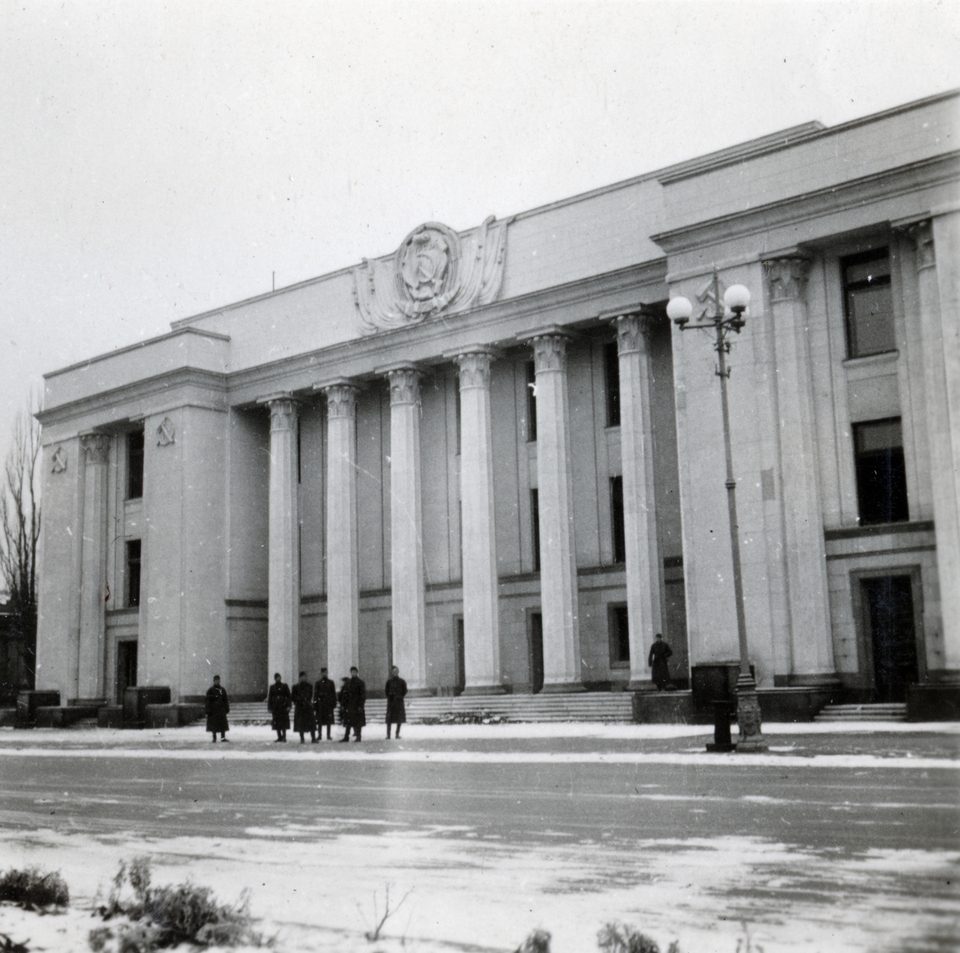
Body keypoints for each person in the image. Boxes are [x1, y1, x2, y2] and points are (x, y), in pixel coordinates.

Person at [339, 666, 366, 742]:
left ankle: (358, 736)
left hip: (357, 705)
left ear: (357, 672)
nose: (353, 673)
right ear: (350, 673)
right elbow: (345, 695)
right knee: (348, 722)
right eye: (352, 672)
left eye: (354, 672)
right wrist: (343, 705)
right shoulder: (348, 683)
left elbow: (363, 695)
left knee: (358, 722)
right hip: (349, 705)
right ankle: (346, 737)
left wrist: (361, 705)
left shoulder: (361, 683)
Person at [292, 671, 318, 743]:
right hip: (300, 708)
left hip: (307, 707)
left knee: (311, 723)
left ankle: (313, 738)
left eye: (305, 677)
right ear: (300, 678)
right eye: (302, 677)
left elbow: (310, 695)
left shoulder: (309, 686)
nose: (304, 678)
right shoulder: (295, 687)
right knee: (301, 724)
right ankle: (302, 738)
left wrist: (306, 701)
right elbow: (293, 697)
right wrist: (300, 700)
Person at [314, 667, 338, 740]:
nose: (324, 674)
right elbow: (315, 694)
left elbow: (333, 693)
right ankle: (319, 735)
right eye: (323, 673)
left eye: (325, 673)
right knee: (320, 721)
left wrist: (334, 703)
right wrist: (315, 704)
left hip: (328, 704)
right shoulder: (317, 683)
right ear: (321, 674)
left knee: (328, 721)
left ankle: (328, 735)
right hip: (320, 705)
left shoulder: (331, 683)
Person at [205, 675, 230, 743]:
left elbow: (225, 700)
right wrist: (208, 709)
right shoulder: (210, 690)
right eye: (216, 680)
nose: (217, 681)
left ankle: (223, 737)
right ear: (214, 681)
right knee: (214, 725)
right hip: (213, 710)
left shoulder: (222, 690)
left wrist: (226, 708)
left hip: (221, 710)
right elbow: (207, 701)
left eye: (218, 680)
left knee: (222, 725)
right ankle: (214, 738)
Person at [267, 672, 291, 742]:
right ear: (275, 679)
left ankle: (284, 736)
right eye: (277, 677)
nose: (278, 679)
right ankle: (279, 737)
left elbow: (289, 696)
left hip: (283, 706)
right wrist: (269, 707)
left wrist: (289, 706)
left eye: (279, 677)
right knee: (276, 723)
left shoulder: (285, 686)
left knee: (284, 723)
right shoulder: (272, 687)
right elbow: (270, 698)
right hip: (276, 707)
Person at [384, 665, 408, 740]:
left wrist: (400, 696)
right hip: (391, 703)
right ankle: (388, 735)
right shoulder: (389, 682)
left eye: (396, 671)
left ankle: (397, 734)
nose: (394, 673)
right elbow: (386, 691)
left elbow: (405, 690)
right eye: (393, 671)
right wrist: (390, 697)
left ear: (398, 672)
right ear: (391, 672)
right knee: (389, 720)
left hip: (399, 703)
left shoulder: (402, 681)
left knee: (399, 719)